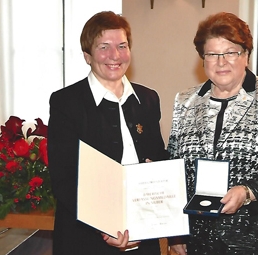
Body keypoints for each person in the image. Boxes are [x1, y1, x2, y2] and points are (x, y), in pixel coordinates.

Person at [167, 12, 258, 255]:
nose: (221, 62)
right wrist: (176, 233)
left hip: (254, 235)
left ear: (246, 55)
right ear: (203, 59)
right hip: (198, 236)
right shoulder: (186, 101)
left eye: (230, 52)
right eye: (212, 54)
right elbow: (174, 166)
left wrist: (247, 191)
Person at [47, 11, 168, 255]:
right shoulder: (66, 102)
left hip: (143, 235)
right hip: (86, 239)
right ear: (87, 56)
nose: (115, 56)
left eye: (122, 46)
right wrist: (105, 226)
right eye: (104, 47)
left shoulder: (148, 99)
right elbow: (64, 179)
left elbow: (157, 157)